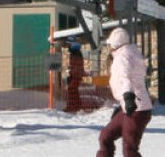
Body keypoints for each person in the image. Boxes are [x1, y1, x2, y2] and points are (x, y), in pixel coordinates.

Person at [96, 27, 152, 157]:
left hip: (136, 108)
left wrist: (128, 98)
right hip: (130, 106)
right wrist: (123, 103)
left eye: (110, 44)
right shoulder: (129, 54)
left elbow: (125, 78)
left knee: (129, 149)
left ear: (115, 44)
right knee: (106, 136)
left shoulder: (122, 57)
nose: (109, 47)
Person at [65, 37, 85, 112]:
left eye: (68, 44)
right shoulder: (76, 52)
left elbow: (76, 65)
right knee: (74, 90)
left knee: (71, 90)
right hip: (75, 74)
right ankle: (76, 107)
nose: (67, 46)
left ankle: (73, 107)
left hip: (75, 75)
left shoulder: (75, 53)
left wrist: (72, 71)